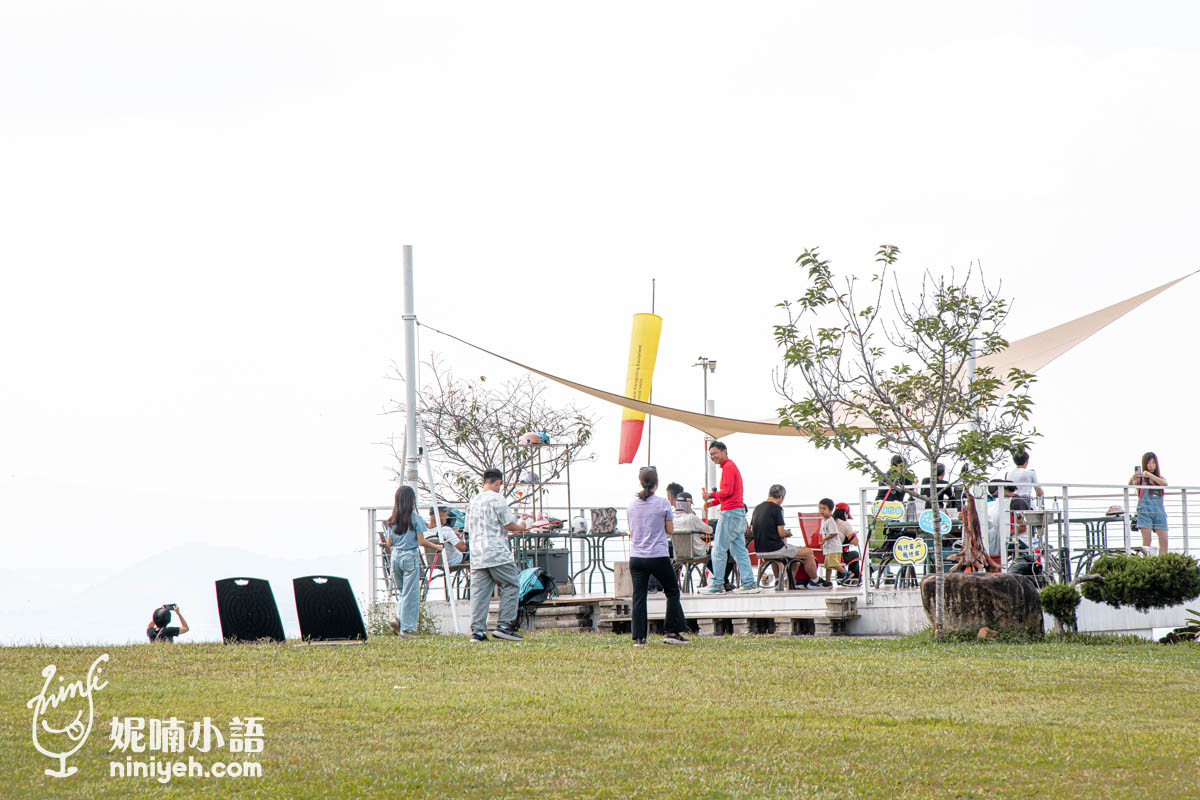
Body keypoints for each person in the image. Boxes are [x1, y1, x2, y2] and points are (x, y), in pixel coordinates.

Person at [626, 467, 689, 646]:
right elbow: (670, 530)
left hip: (636, 557)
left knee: (639, 596)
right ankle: (672, 632)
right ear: (657, 484)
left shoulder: (631, 505)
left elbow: (633, 530)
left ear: (640, 482)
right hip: (658, 555)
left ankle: (639, 638)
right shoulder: (663, 504)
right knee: (672, 591)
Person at [466, 469, 527, 642]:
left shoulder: (473, 501)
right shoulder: (497, 498)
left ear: (484, 481)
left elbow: (468, 529)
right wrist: (521, 525)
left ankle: (477, 632)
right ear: (498, 482)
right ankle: (504, 626)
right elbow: (509, 525)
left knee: (479, 594)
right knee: (511, 585)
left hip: (477, 555)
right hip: (497, 553)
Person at [383, 485, 444, 638]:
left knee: (403, 592)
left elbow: (389, 544)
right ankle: (405, 628)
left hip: (395, 557)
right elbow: (421, 541)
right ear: (411, 500)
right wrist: (437, 546)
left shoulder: (391, 520)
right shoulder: (415, 518)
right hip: (410, 556)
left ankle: (398, 619)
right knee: (411, 594)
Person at [701, 441, 760, 594]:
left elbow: (726, 491)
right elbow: (730, 493)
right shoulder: (730, 466)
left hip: (730, 514)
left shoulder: (727, 467)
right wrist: (713, 502)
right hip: (738, 513)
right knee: (740, 551)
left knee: (718, 550)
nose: (713, 457)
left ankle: (717, 584)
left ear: (724, 452)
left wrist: (710, 495)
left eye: (715, 453)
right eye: (711, 455)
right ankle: (749, 583)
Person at [751, 484, 819, 588]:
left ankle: (780, 581)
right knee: (808, 553)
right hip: (776, 549)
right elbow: (781, 533)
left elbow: (753, 530)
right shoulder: (777, 509)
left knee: (791, 558)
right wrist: (787, 533)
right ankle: (815, 581)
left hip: (760, 549)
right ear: (782, 496)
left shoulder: (757, 508)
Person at [1130, 452, 1169, 555]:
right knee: (1147, 542)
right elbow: (1131, 484)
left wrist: (1150, 475)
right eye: (1148, 463)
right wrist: (1133, 477)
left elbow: (1165, 484)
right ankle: (1147, 565)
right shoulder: (1141, 479)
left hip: (1159, 511)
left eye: (1153, 463)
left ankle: (1162, 564)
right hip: (1144, 510)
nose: (1151, 465)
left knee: (1164, 540)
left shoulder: (1160, 478)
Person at [671, 491, 712, 561]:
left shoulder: (671, 518)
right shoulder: (691, 517)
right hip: (696, 552)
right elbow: (710, 530)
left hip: (678, 554)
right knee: (718, 551)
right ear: (687, 504)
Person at [818, 498, 849, 585]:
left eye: (824, 509)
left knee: (833, 563)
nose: (821, 511)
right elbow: (822, 532)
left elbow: (834, 533)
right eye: (820, 508)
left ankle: (846, 573)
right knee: (827, 566)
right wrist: (822, 542)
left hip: (834, 547)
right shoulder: (823, 521)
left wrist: (824, 539)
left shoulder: (831, 521)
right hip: (828, 547)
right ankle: (827, 581)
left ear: (830, 510)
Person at [834, 503, 861, 584]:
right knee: (855, 554)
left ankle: (841, 576)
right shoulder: (844, 524)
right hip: (837, 557)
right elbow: (855, 542)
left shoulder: (827, 522)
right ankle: (854, 580)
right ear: (845, 513)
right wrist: (853, 534)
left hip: (823, 555)